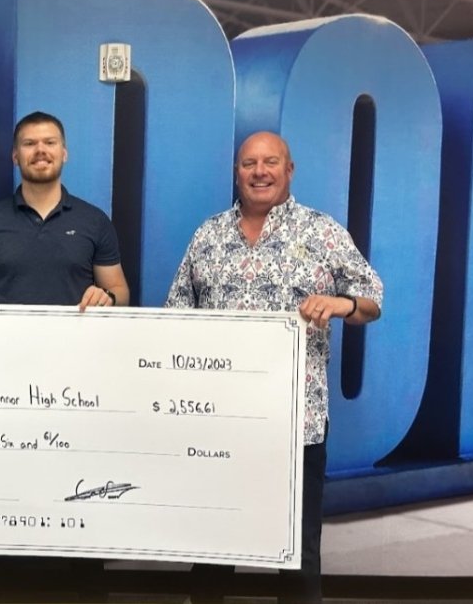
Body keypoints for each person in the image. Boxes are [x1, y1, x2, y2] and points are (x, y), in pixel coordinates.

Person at [165, 130, 383, 604]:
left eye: (270, 162)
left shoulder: (322, 231)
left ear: (289, 169)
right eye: (249, 164)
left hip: (296, 424)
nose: (259, 172)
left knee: (298, 553)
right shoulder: (208, 235)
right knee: (212, 547)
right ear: (236, 173)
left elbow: (372, 300)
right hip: (218, 421)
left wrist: (342, 303)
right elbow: (177, 313)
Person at [0, 110, 129, 311]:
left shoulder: (95, 221)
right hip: (4, 341)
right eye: (29, 143)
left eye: (50, 142)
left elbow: (119, 290)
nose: (40, 150)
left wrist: (108, 296)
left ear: (64, 153)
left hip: (74, 341)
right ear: (15, 156)